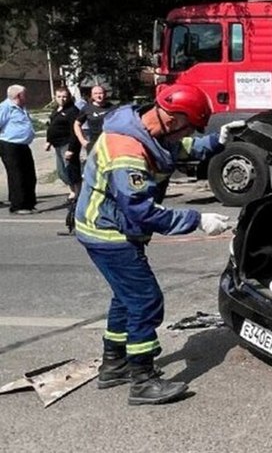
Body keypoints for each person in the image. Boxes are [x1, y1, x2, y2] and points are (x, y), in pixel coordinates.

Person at [75, 84, 243, 405]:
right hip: (110, 234)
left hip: (108, 228)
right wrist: (197, 220)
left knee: (125, 298)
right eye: (188, 127)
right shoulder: (127, 152)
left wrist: (217, 140)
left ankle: (114, 364)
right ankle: (142, 379)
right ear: (171, 119)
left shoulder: (144, 130)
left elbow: (179, 149)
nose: (186, 135)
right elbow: (142, 212)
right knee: (145, 301)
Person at [0, 84, 37, 214]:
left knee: (29, 175)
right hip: (10, 145)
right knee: (17, 175)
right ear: (18, 96)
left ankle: (29, 203)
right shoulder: (5, 108)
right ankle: (18, 206)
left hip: (23, 145)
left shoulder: (21, 107)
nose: (27, 96)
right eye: (25, 94)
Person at [45, 86, 81, 201]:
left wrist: (71, 149)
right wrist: (49, 141)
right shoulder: (57, 110)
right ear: (55, 97)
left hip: (67, 144)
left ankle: (77, 193)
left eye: (65, 96)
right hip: (57, 144)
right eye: (59, 96)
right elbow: (52, 127)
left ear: (69, 97)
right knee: (62, 172)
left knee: (71, 169)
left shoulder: (72, 111)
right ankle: (72, 190)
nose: (62, 99)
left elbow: (74, 131)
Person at [73, 84, 114, 154]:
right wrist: (82, 141)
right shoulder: (87, 108)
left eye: (100, 93)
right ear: (92, 95)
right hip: (94, 143)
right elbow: (76, 124)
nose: (98, 96)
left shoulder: (112, 108)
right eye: (95, 93)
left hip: (110, 142)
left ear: (105, 94)